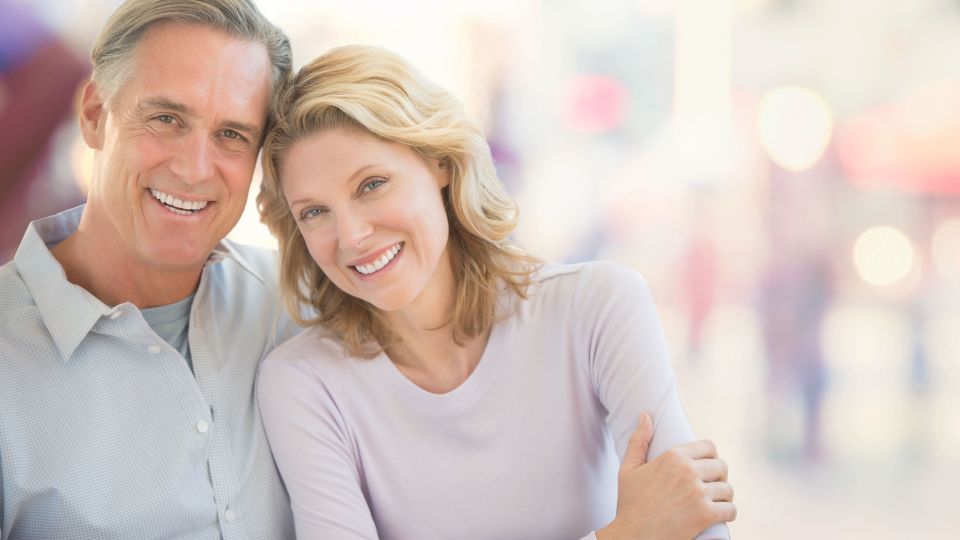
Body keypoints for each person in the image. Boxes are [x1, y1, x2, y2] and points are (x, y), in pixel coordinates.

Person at [257, 45, 736, 540]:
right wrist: (627, 533)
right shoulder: (304, 384)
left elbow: (694, 523)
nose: (352, 236)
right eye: (314, 212)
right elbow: (661, 525)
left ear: (440, 163)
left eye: (372, 184)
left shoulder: (597, 307)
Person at [0, 1, 296, 537]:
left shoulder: (301, 307)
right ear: (94, 115)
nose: (193, 168)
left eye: (232, 134)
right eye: (166, 118)